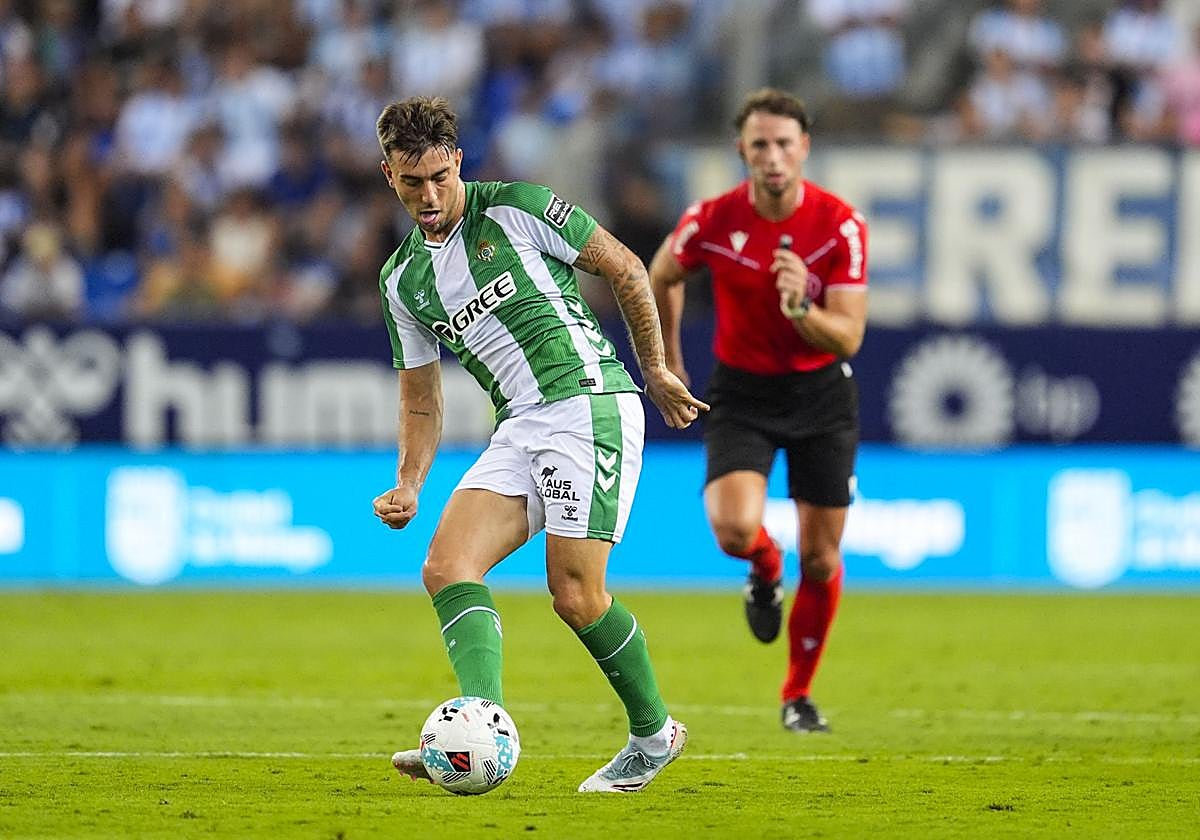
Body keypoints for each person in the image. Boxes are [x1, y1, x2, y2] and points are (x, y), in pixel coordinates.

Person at [372, 96, 708, 792]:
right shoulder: (402, 280)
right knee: (447, 566)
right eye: (412, 182)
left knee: (577, 595)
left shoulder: (514, 207)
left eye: (439, 177)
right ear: (389, 176)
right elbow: (420, 396)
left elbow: (625, 267)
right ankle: (476, 732)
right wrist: (410, 481)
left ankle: (655, 735)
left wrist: (654, 369)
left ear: (457, 161)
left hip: (588, 403)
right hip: (519, 425)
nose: (428, 196)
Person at [649, 88, 868, 733]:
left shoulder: (840, 225)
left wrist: (801, 309)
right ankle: (766, 571)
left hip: (821, 395)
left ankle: (798, 694)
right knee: (734, 531)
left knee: (821, 558)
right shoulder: (711, 219)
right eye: (760, 144)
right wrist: (668, 360)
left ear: (805, 148)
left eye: (784, 144)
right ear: (741, 150)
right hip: (742, 393)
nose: (773, 156)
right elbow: (662, 275)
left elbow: (849, 337)